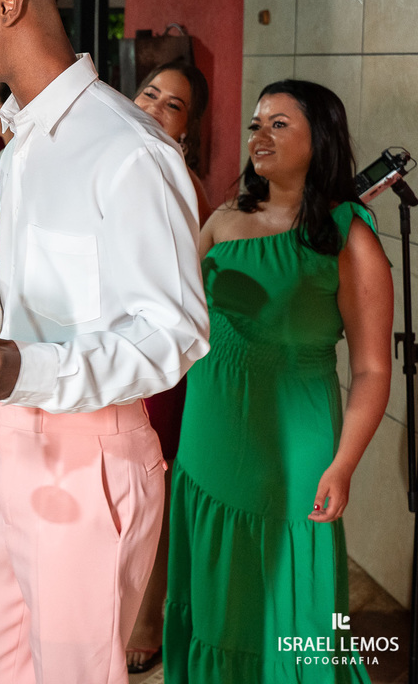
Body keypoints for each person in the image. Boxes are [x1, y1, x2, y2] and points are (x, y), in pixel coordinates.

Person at [0, 0, 208, 684]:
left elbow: (173, 334)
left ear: (10, 1)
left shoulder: (128, 151)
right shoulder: (23, 147)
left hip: (90, 464)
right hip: (9, 448)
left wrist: (25, 369)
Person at [164, 80, 391, 683]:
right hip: (211, 431)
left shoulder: (349, 238)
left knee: (287, 604)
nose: (258, 136)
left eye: (279, 125)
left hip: (294, 445)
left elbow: (371, 369)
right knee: (218, 594)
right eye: (256, 124)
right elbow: (167, 310)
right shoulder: (224, 219)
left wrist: (343, 465)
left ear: (321, 139)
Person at [126, 59, 214, 673]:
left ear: (187, 129)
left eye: (173, 105)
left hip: (154, 360)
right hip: (106, 351)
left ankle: (149, 617)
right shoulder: (120, 160)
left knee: (150, 488)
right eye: (149, 93)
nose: (154, 106)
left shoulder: (180, 179)